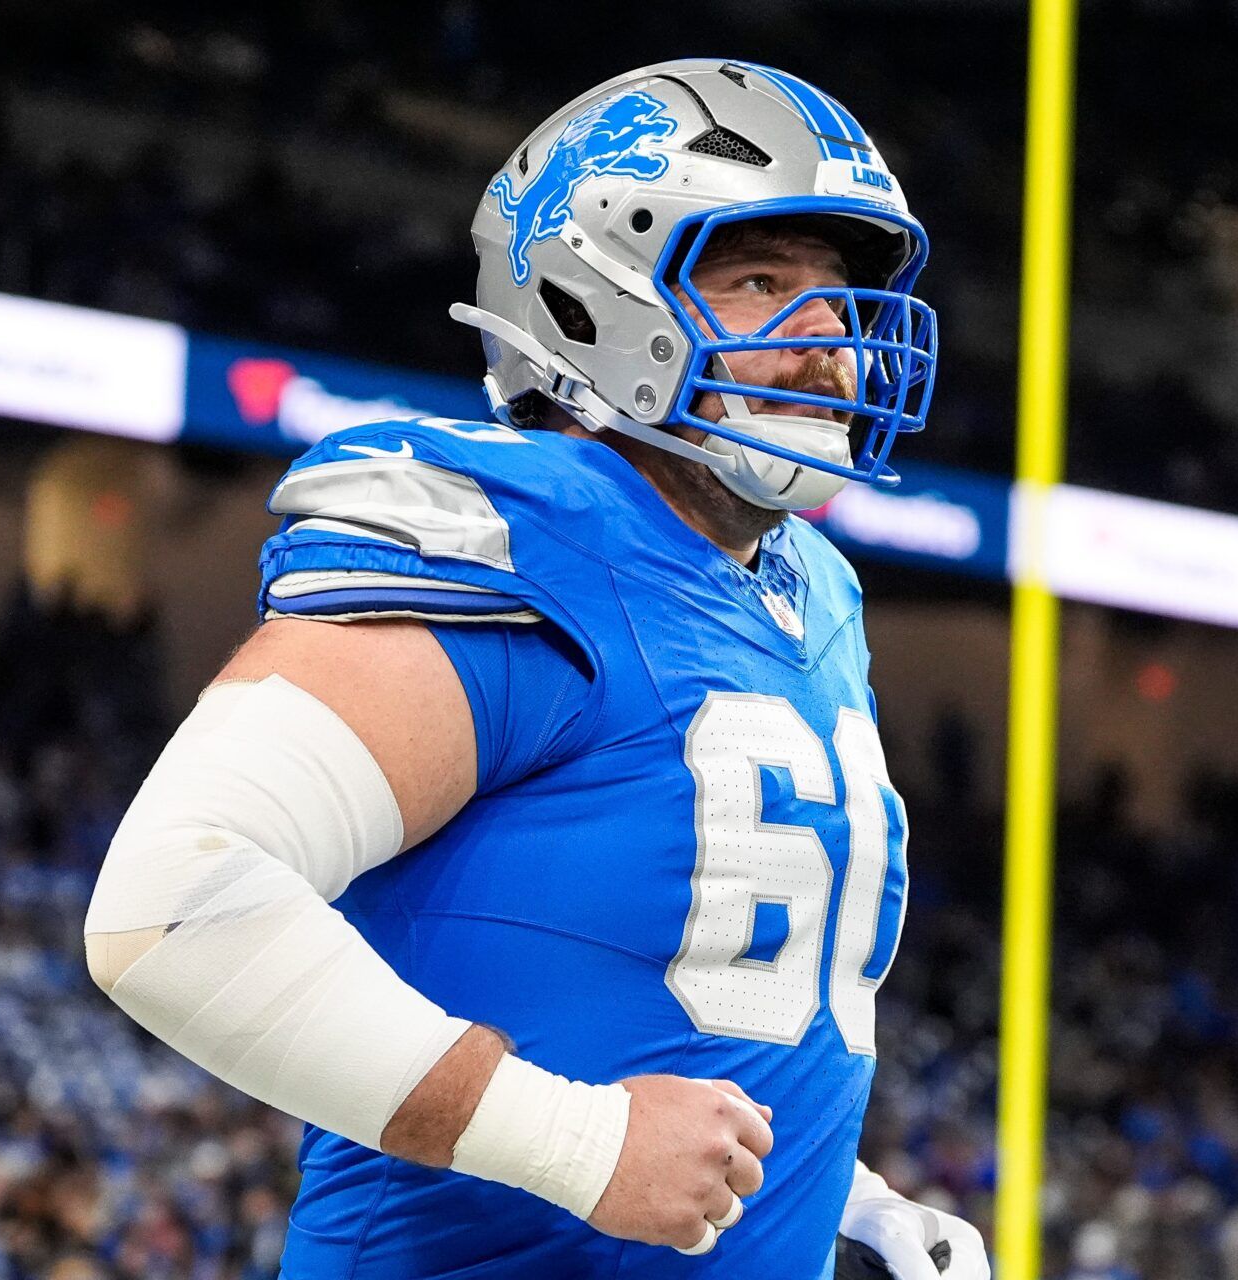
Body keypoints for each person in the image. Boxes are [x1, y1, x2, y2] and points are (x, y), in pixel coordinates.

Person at [83, 58, 987, 1279]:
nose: (825, 338)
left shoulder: (812, 590)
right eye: (763, 282)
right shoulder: (521, 531)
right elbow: (172, 904)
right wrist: (577, 1141)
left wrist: (842, 1200)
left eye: (836, 298)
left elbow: (693, 1000)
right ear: (590, 302)